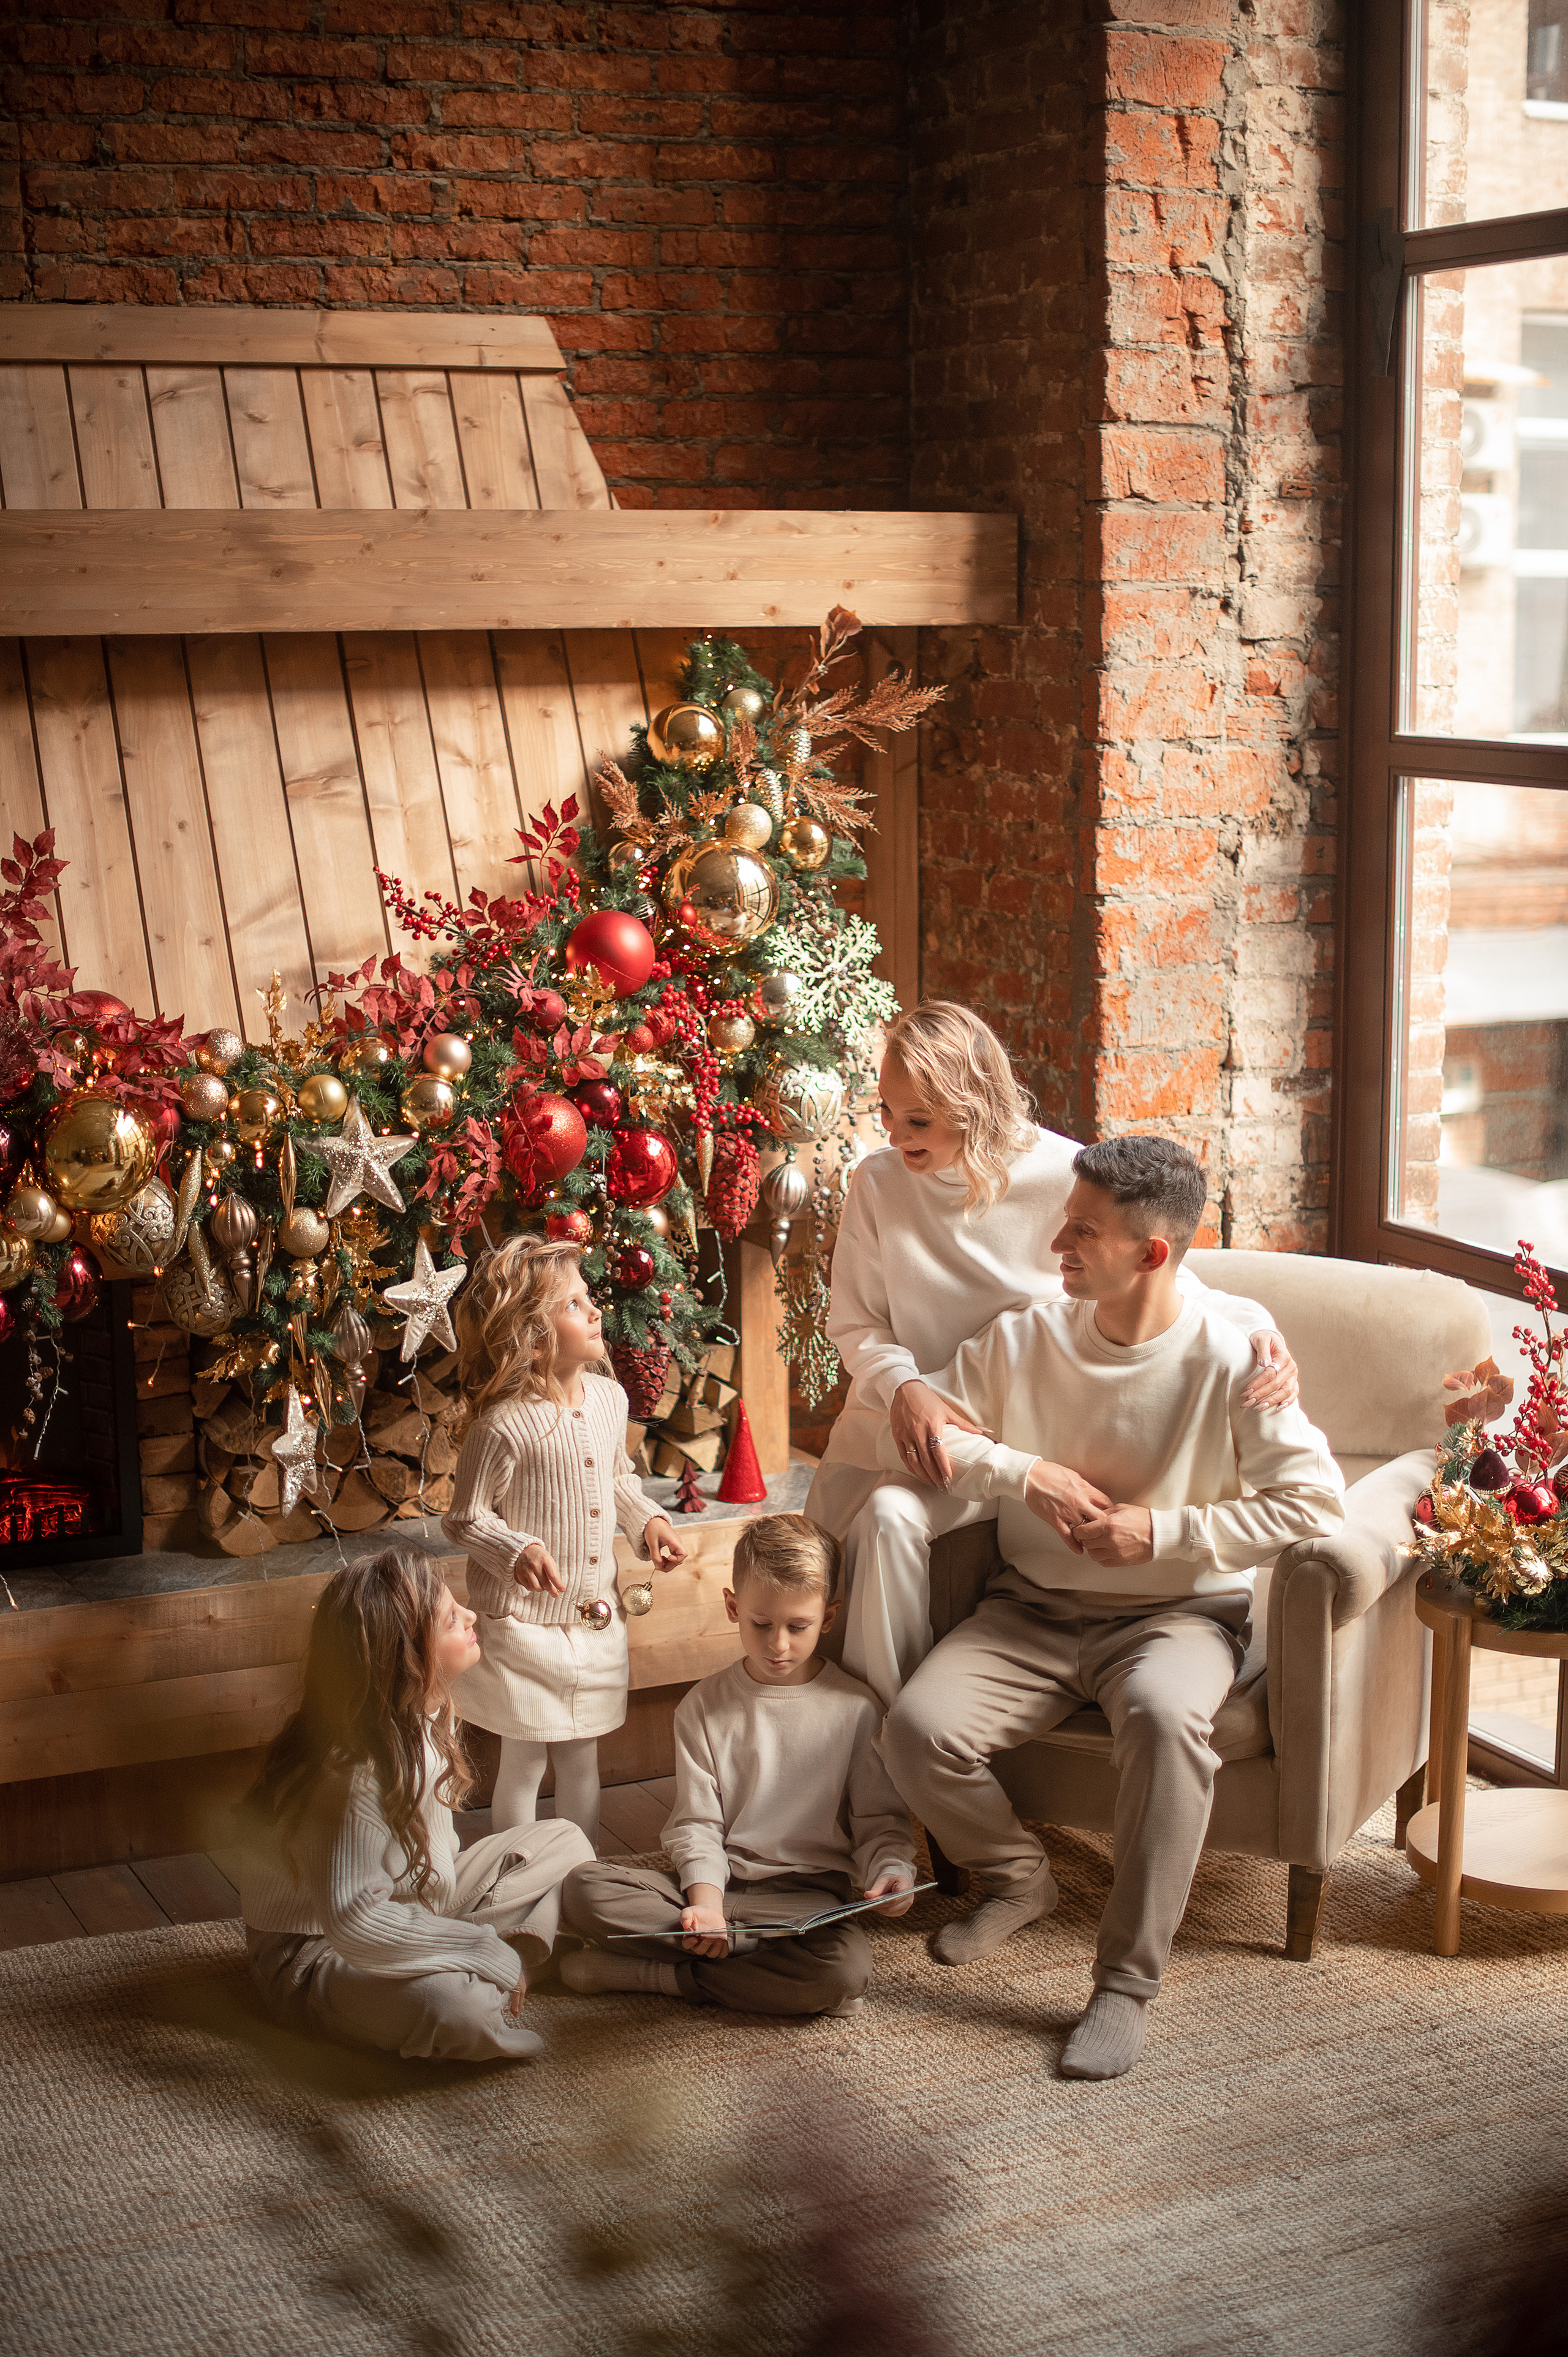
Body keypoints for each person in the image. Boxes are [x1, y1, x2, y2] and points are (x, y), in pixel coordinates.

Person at [878, 1137, 1346, 2083]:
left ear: (1152, 1253)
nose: (1059, 1241)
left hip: (1176, 1617)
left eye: (1083, 1228)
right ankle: (1019, 1875)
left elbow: (1316, 1504)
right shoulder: (1025, 1337)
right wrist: (1027, 1471)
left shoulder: (1237, 1356)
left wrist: (1162, 1533)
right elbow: (938, 1436)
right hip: (1031, 1609)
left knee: (1171, 1720)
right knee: (916, 1729)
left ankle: (1126, 1985)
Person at [806, 1001, 1302, 1706]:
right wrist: (902, 1387)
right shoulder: (878, 1182)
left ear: (972, 1105)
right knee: (886, 1516)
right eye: (886, 1112)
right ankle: (887, 1744)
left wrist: (1257, 1325)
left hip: (1038, 1423)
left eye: (916, 1120)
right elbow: (854, 1323)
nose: (894, 1135)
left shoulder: (1060, 1168)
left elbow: (1158, 1268)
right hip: (930, 1424)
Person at [238, 1547, 592, 2063]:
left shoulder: (426, 1709)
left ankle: (491, 1959)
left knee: (566, 1840)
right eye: (451, 1618)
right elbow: (355, 1922)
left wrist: (452, 1931)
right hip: (317, 1952)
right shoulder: (355, 1772)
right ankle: (497, 1964)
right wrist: (478, 1947)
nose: (471, 1616)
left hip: (410, 1903)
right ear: (406, 1654)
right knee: (457, 2008)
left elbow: (431, 1863)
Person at [559, 1514, 918, 2019]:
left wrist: (892, 1871)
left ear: (829, 1618)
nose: (778, 1644)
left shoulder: (857, 1709)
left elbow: (880, 1823)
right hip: (718, 1886)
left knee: (845, 1970)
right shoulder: (703, 1707)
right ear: (733, 1606)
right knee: (583, 1890)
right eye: (761, 1623)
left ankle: (660, 1976)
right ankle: (762, 1967)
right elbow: (697, 1825)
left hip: (805, 1904)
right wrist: (705, 1906)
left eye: (799, 1626)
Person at [442, 1238, 686, 1852]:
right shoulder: (501, 1426)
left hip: (596, 1621)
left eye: (587, 1296)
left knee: (582, 1759)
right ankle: (517, 1875)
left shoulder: (610, 1400)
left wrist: (646, 1522)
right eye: (574, 1303)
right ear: (532, 1338)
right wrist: (516, 1549)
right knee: (525, 1763)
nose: (596, 1309)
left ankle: (577, 1872)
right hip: (526, 1629)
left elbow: (617, 1480)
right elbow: (465, 1519)